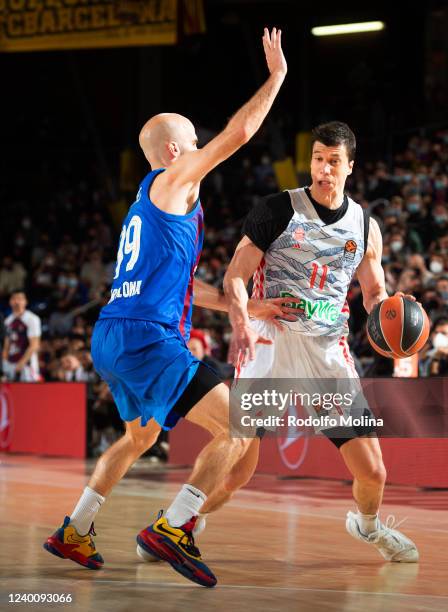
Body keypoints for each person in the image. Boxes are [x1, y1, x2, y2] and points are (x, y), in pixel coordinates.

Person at [43, 28, 290, 588]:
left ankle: (74, 531)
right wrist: (275, 78)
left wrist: (248, 306)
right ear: (176, 153)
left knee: (138, 438)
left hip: (113, 335)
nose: (204, 149)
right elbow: (240, 132)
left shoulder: (144, 208)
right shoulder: (172, 180)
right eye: (195, 143)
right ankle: (173, 526)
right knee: (237, 423)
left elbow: (183, 289)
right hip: (147, 339)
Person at [206, 121, 419, 562]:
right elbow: (235, 277)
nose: (324, 169)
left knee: (375, 472)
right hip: (272, 341)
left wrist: (392, 311)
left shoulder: (364, 226)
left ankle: (368, 528)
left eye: (334, 161)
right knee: (236, 471)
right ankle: (181, 522)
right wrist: (245, 315)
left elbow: (374, 294)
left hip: (326, 351)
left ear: (350, 167)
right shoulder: (277, 209)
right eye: (318, 159)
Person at [2, 291, 41, 382]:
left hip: (27, 364)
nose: (17, 301)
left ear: (25, 301)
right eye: (14, 299)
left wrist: (21, 363)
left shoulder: (32, 319)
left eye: (20, 299)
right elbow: (6, 345)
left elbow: (34, 345)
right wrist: (4, 363)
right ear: (10, 302)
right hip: (10, 363)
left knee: (28, 393)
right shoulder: (7, 321)